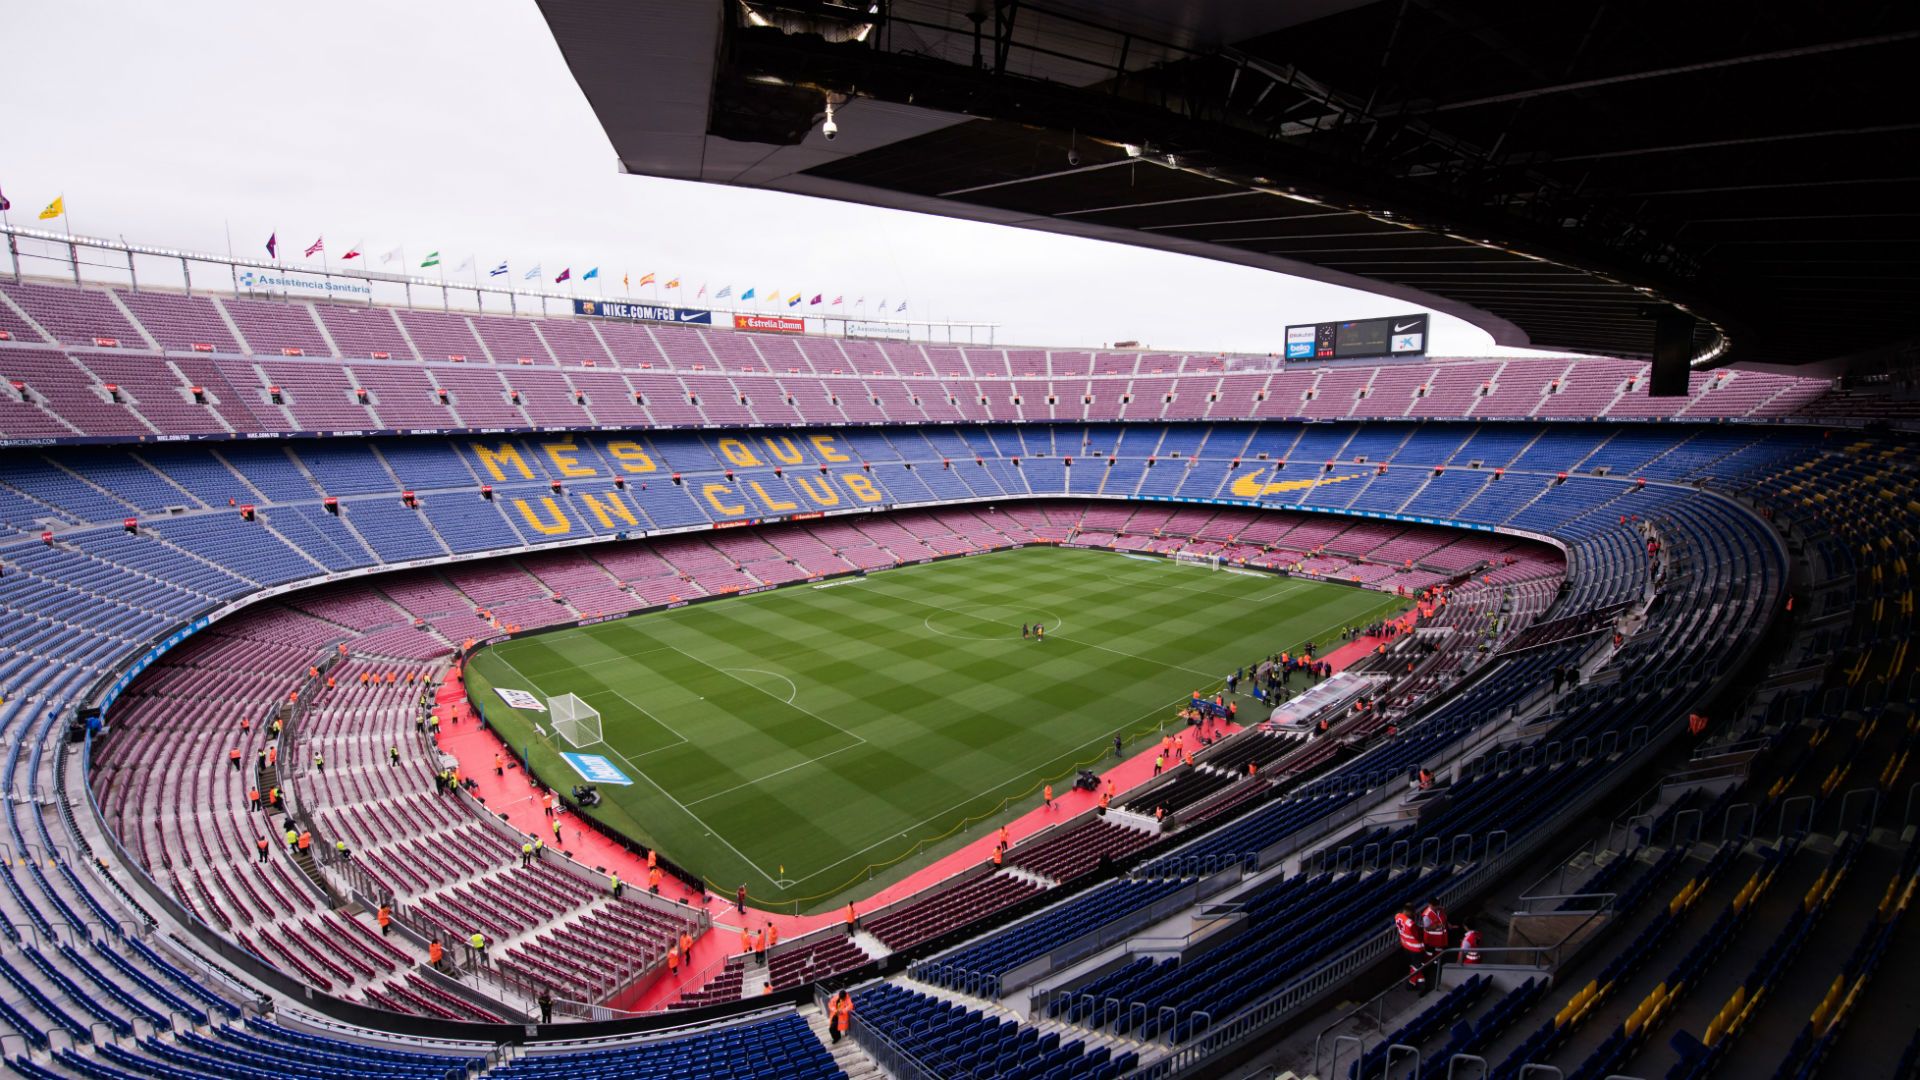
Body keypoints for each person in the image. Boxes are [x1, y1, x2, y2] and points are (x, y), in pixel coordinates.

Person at [1394, 907, 1426, 990]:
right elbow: (1418, 936)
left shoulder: (1397, 916)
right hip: (1415, 948)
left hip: (1405, 945)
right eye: (1413, 913)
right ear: (1408, 912)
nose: (1414, 914)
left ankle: (1421, 982)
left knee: (1414, 964)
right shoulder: (1410, 924)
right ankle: (1411, 983)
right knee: (1417, 966)